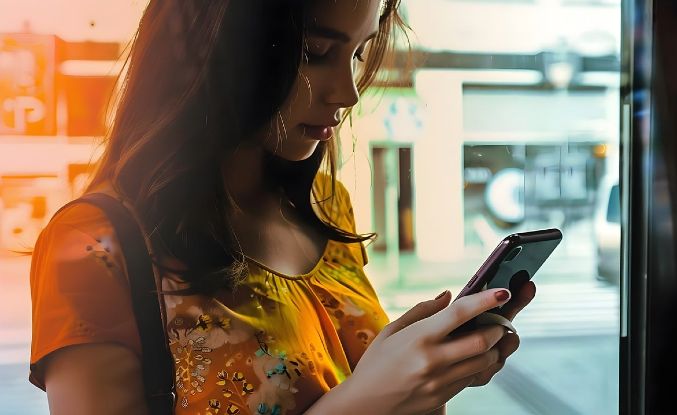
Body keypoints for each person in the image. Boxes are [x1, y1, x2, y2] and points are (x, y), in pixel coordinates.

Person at [28, 1, 536, 414]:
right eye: (315, 52)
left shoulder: (327, 205)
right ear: (218, 47)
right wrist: (369, 399)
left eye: (358, 54)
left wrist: (426, 379)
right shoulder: (94, 246)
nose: (349, 92)